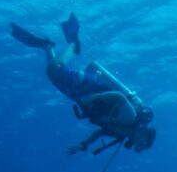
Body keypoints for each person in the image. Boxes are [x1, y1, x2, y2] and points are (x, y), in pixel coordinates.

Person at [10, 13, 156, 155]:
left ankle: (47, 46)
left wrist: (83, 144)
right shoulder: (131, 118)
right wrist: (93, 98)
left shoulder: (121, 132)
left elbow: (100, 132)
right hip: (93, 88)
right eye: (142, 144)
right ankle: (74, 43)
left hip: (87, 101)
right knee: (56, 70)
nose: (137, 146)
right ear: (144, 134)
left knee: (54, 78)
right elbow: (118, 97)